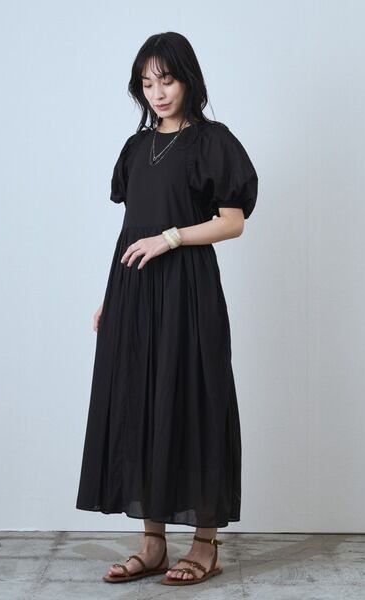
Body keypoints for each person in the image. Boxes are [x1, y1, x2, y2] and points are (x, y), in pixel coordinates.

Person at [75, 31, 258, 587]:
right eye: (147, 83)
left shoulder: (212, 141)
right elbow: (131, 229)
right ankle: (152, 543)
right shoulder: (136, 149)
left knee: (196, 401)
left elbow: (233, 222)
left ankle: (205, 545)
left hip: (188, 290)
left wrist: (171, 238)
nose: (157, 92)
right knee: (141, 404)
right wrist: (111, 296)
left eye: (167, 79)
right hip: (134, 293)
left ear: (188, 80)